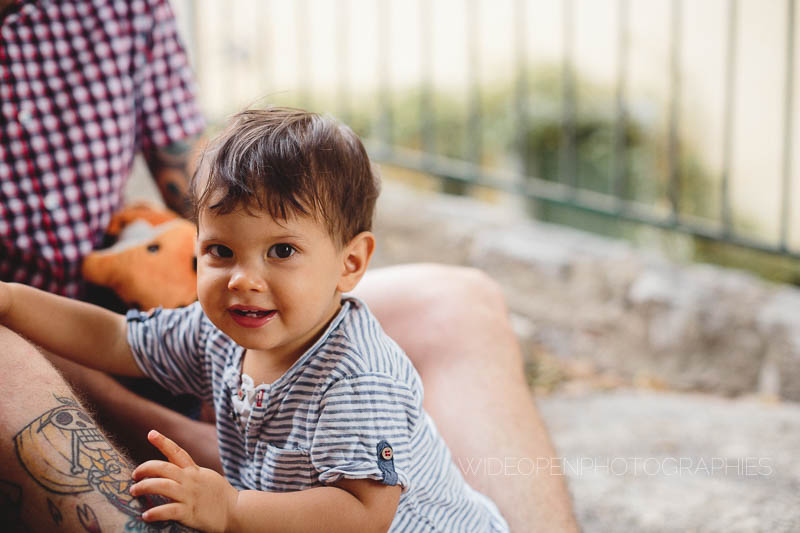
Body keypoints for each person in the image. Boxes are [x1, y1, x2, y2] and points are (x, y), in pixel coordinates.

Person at [1, 0, 579, 531]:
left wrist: (231, 507)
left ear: (351, 263)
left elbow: (363, 513)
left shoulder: (357, 378)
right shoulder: (216, 331)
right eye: (220, 251)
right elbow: (114, 337)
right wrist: (11, 299)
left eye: (281, 251)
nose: (242, 278)